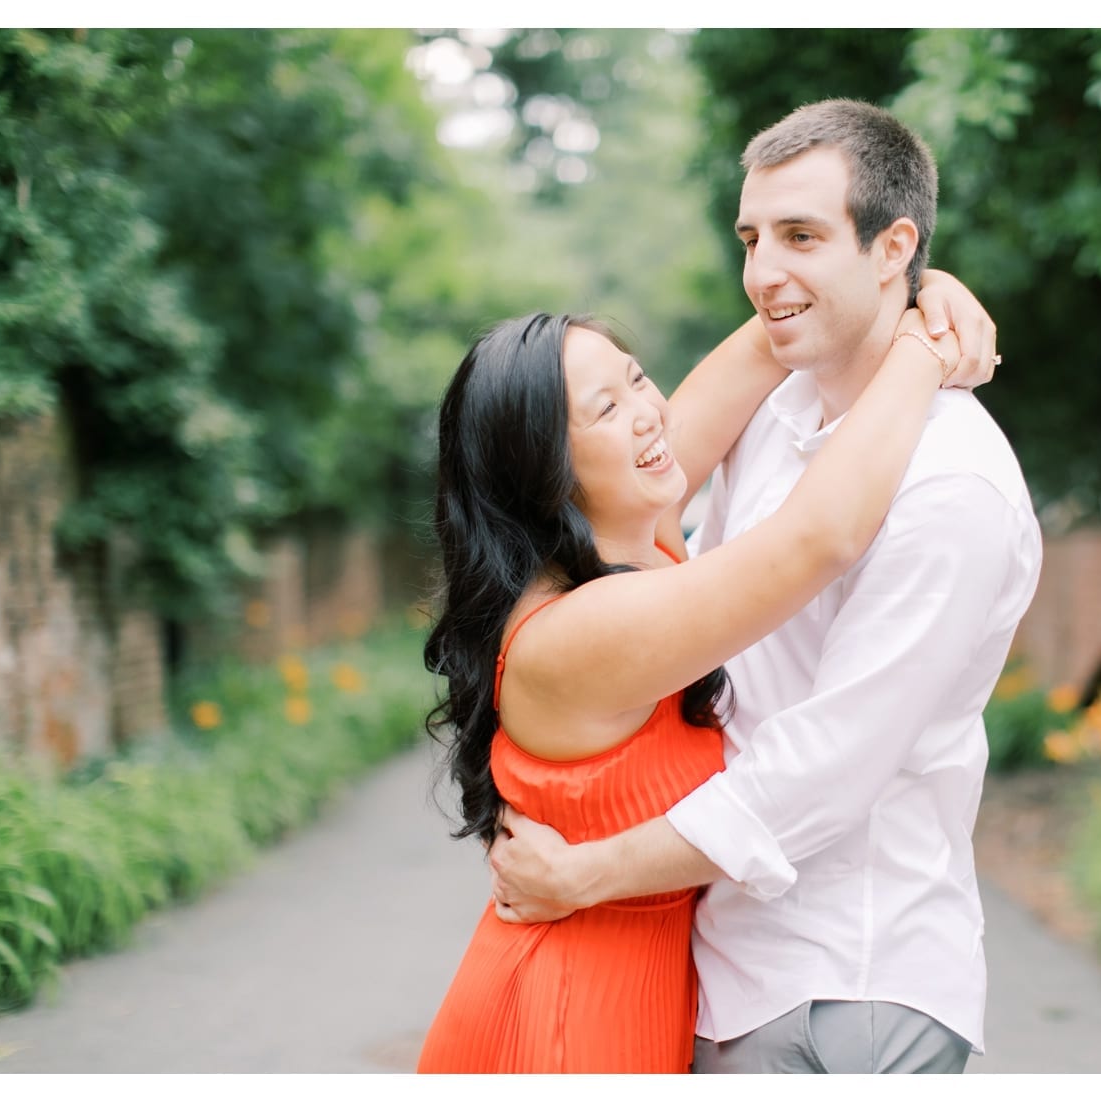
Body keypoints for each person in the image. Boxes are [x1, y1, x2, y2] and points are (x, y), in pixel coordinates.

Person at [488, 99, 1043, 1074]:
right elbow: (789, 534)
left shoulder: (949, 485)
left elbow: (824, 767)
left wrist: (585, 875)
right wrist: (900, 299)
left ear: (892, 244)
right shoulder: (778, 413)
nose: (759, 271)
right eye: (750, 238)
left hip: (848, 981)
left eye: (798, 234)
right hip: (725, 967)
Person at [413, 266, 992, 1068]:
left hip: (647, 996)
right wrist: (924, 350)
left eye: (638, 377)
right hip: (569, 1019)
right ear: (542, 470)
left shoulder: (631, 536)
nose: (651, 412)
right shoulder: (582, 630)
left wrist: (921, 279)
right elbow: (817, 539)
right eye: (607, 408)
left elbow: (779, 325)